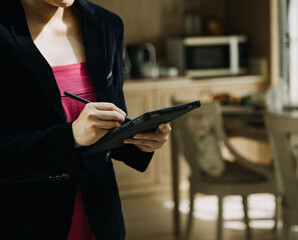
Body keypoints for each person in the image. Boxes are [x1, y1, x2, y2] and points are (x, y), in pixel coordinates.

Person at [0, 0, 171, 239]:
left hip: (102, 221)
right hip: (25, 221)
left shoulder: (107, 25)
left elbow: (111, 121)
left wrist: (140, 136)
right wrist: (70, 137)